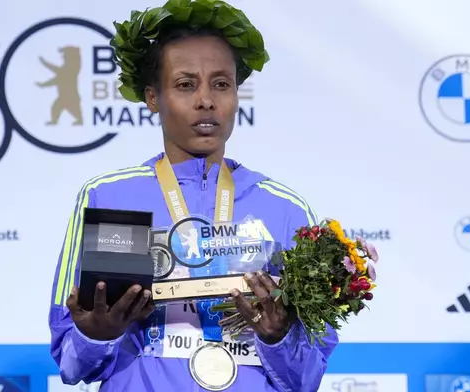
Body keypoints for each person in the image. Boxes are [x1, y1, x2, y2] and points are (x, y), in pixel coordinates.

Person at [48, 1, 338, 390]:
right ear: (153, 98)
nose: (206, 100)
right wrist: (97, 335)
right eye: (186, 84)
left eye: (222, 84)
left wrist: (277, 336)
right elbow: (72, 366)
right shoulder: (113, 198)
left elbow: (306, 378)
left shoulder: (283, 208)